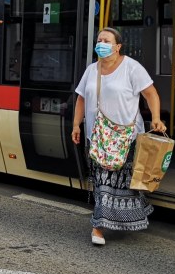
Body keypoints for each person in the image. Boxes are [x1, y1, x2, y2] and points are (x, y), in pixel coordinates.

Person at [71, 27, 166, 247]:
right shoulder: (91, 70)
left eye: (106, 40)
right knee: (103, 183)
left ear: (118, 46)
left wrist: (156, 118)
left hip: (126, 137)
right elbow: (81, 99)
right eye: (99, 40)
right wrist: (76, 124)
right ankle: (98, 226)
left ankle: (123, 218)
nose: (101, 43)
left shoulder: (132, 68)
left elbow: (150, 94)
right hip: (97, 137)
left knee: (124, 183)